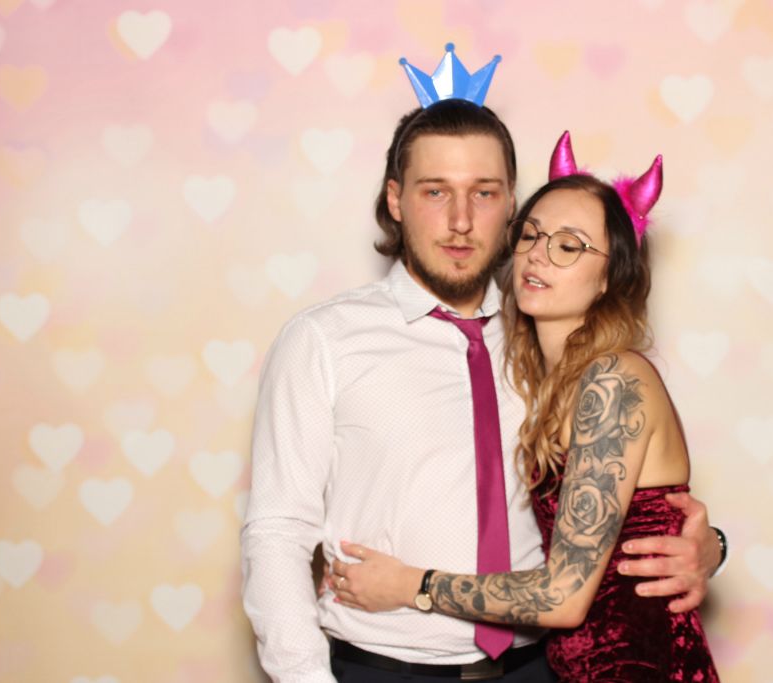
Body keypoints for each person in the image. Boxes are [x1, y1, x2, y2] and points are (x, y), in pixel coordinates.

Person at [241, 45, 725, 683]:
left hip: (542, 668)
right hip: (387, 669)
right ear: (395, 199)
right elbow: (277, 531)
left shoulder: (553, 340)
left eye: (485, 193)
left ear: (510, 204)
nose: (461, 220)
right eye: (435, 191)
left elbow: (622, 506)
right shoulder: (323, 340)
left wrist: (707, 547)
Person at [328, 131, 720, 682]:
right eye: (532, 234)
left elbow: (564, 597)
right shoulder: (542, 375)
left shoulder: (613, 380)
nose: (538, 254)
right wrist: (713, 546)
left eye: (569, 246)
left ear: (611, 276)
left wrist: (410, 584)